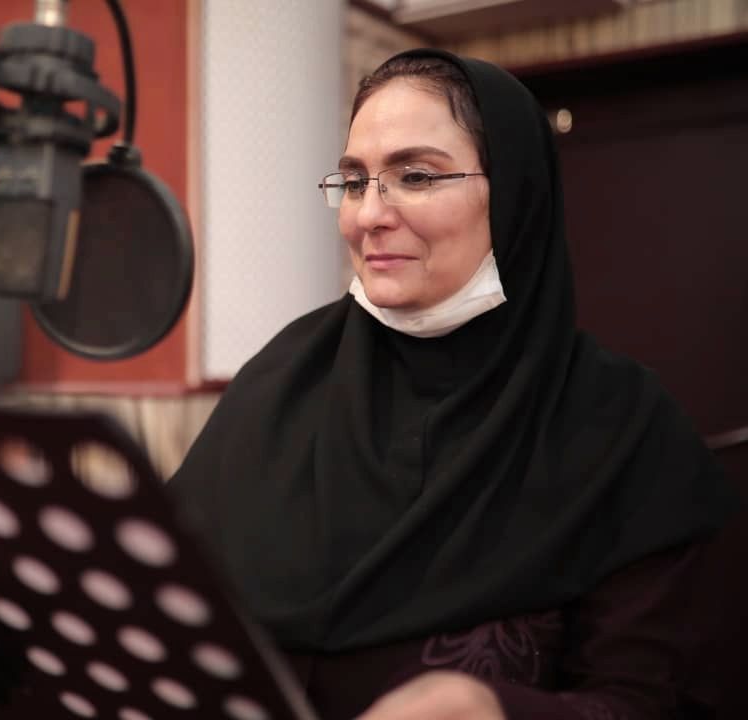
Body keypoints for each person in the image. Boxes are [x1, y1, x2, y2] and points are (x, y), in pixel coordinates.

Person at [167, 48, 738, 720]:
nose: (368, 214)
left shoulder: (623, 428)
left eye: (414, 175)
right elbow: (166, 603)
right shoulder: (280, 382)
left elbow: (647, 703)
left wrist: (491, 708)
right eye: (354, 181)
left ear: (515, 191)